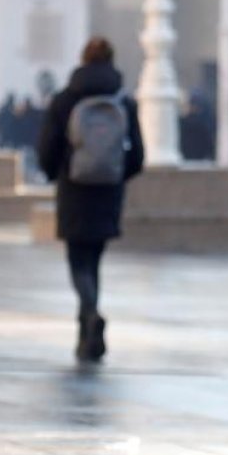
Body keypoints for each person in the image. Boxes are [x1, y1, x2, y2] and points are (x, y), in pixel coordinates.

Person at [37, 37, 145, 363]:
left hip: (74, 187)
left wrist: (56, 172)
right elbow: (138, 155)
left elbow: (48, 146)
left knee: (77, 257)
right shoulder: (124, 100)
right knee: (94, 256)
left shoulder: (66, 99)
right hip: (108, 188)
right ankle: (89, 320)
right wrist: (116, 175)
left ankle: (89, 313)